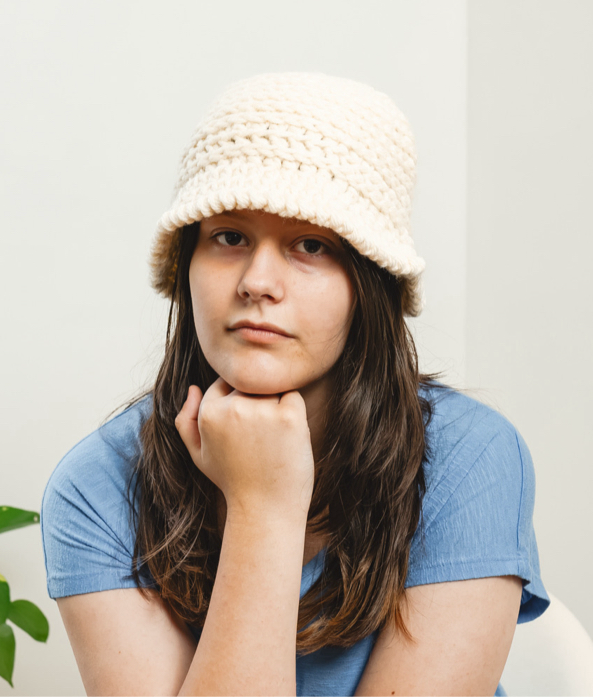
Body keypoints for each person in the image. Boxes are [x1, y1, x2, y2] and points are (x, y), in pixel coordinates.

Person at [41, 72, 549, 697]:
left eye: (310, 245)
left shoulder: (472, 460)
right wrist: (263, 511)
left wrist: (261, 502)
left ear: (371, 285)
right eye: (228, 237)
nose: (258, 281)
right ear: (185, 267)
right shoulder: (96, 488)